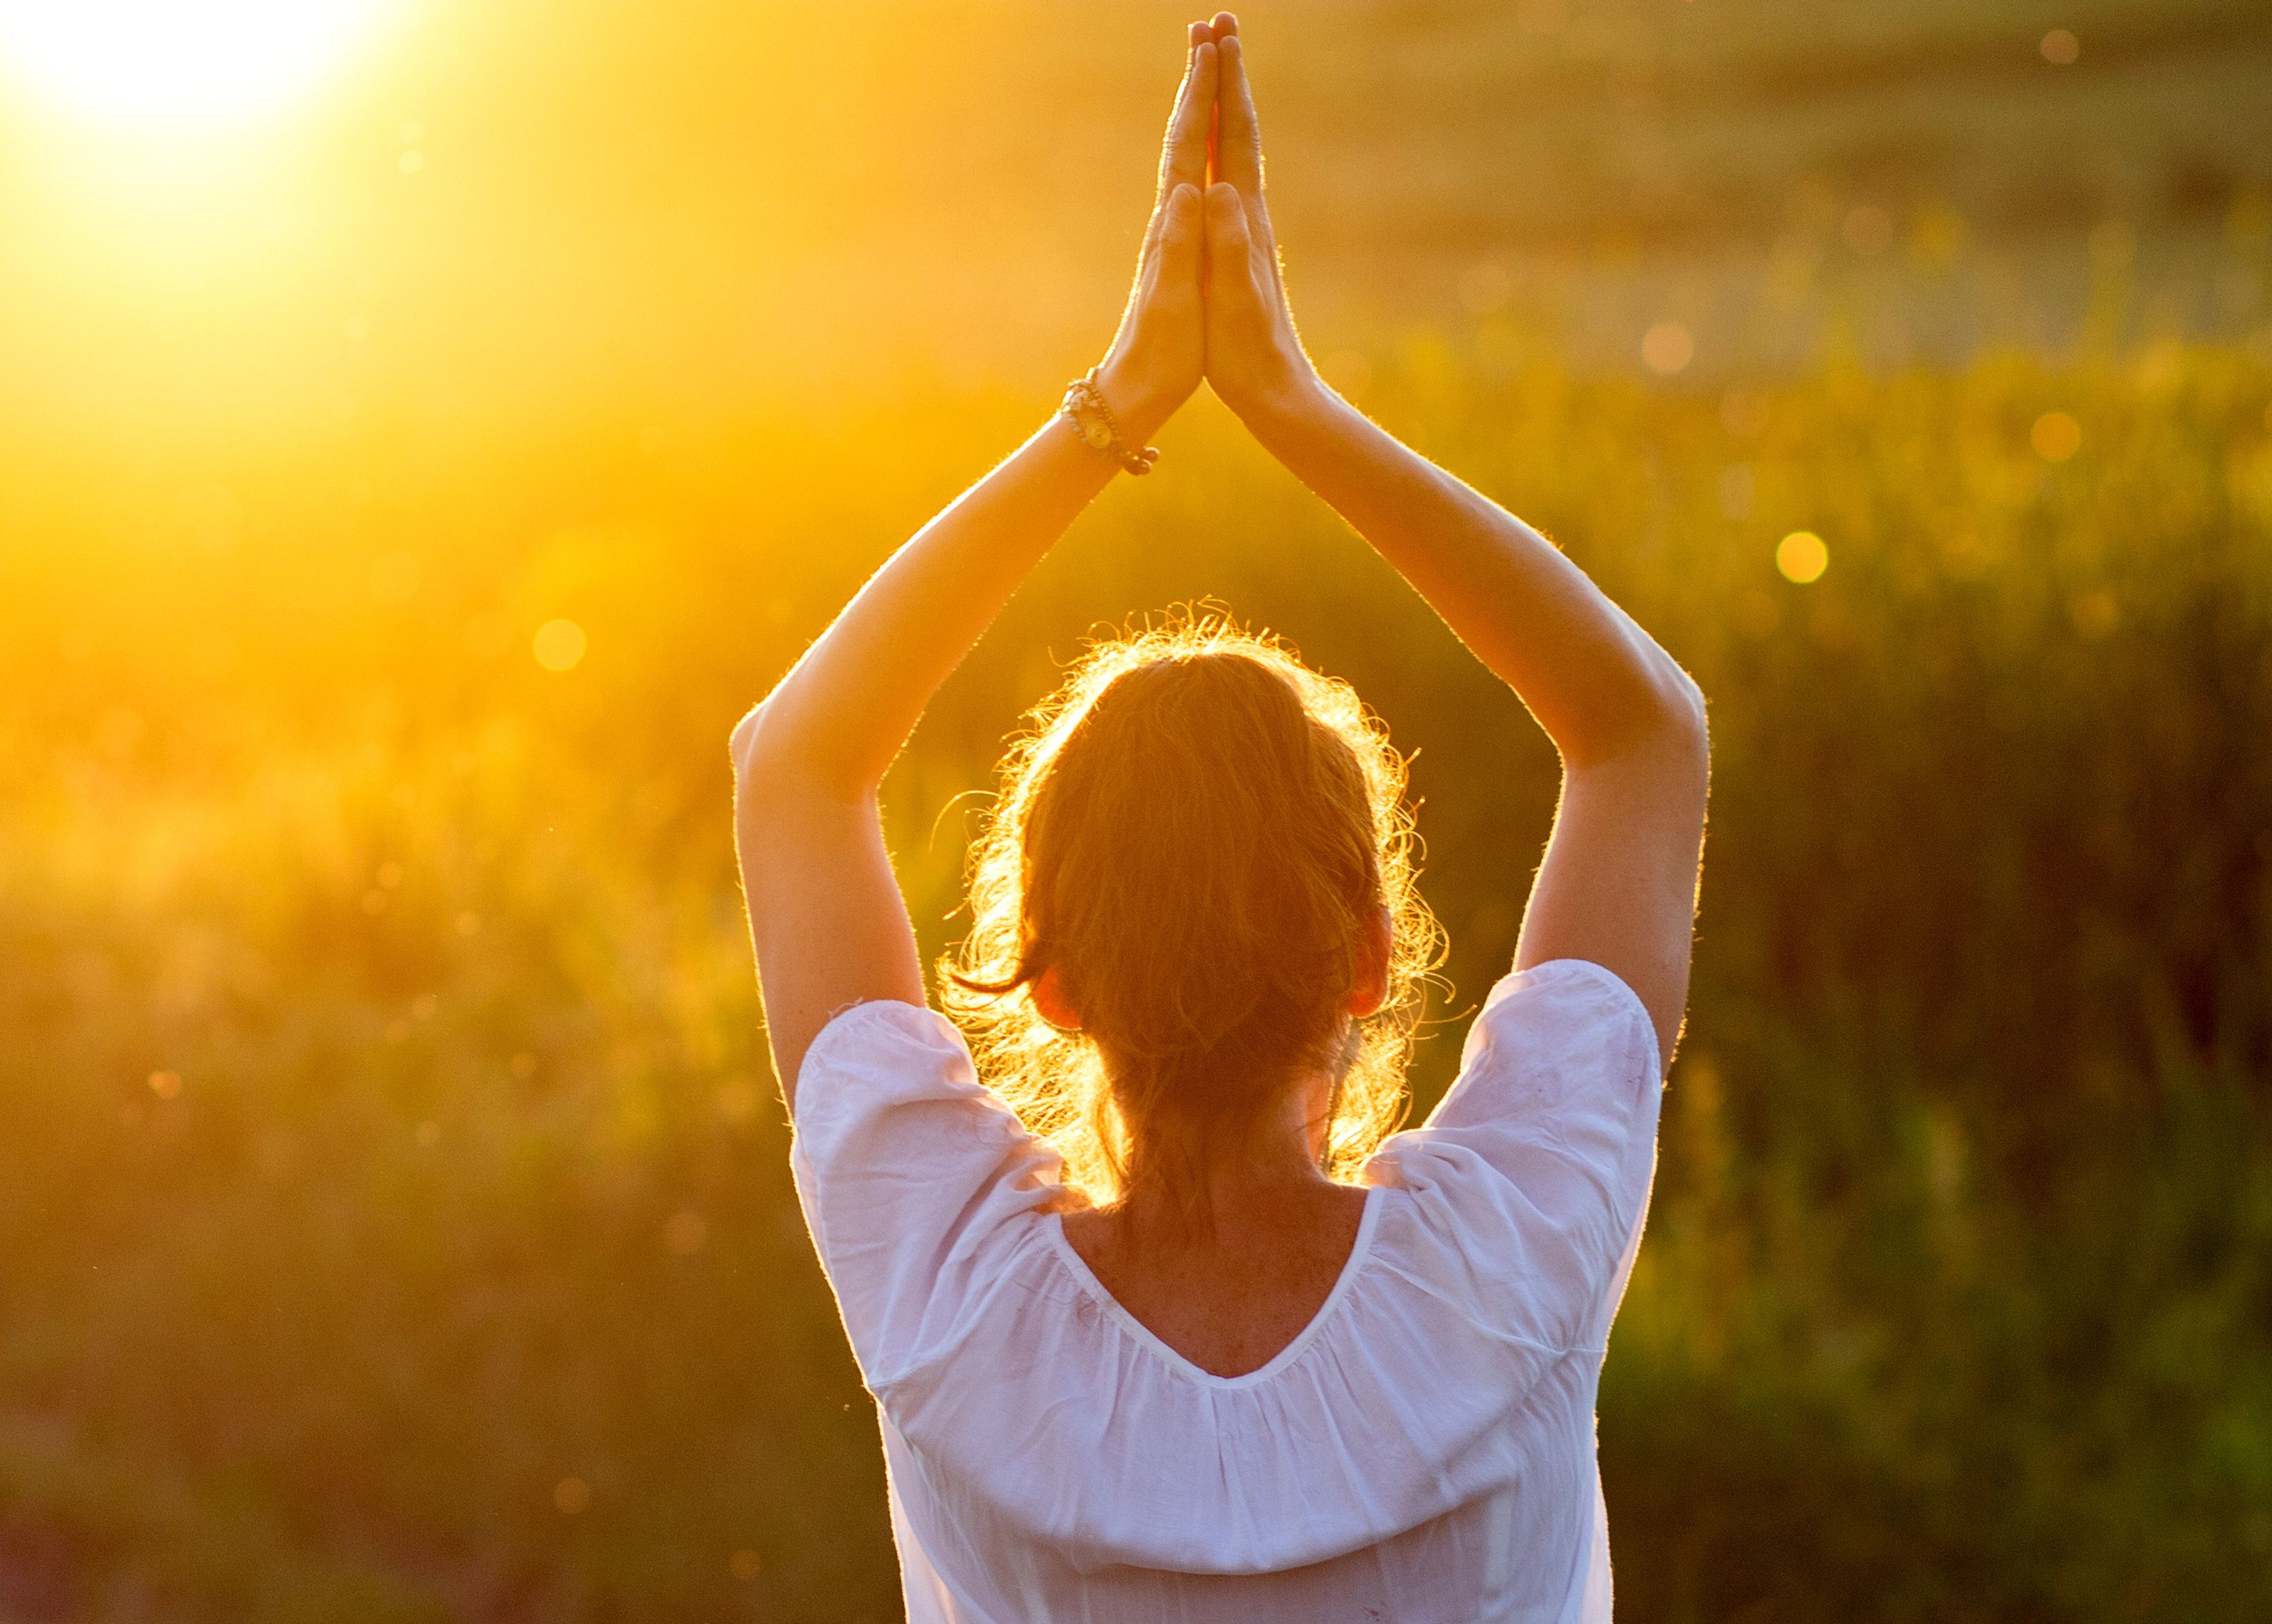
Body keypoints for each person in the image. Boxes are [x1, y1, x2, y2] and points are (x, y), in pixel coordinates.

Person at [729, 14, 1708, 1619]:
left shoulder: (949, 1301)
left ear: (1045, 987)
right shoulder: (1507, 1272)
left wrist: (1112, 408)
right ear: (1371, 964)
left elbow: (795, 766)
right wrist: (1293, 403)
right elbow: (1642, 733)